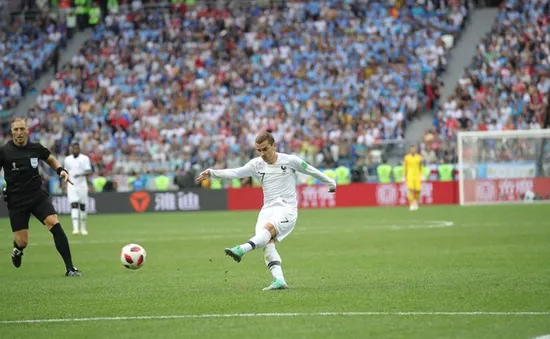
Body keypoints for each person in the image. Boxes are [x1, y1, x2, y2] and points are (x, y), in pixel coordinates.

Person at [196, 132, 336, 290]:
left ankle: (241, 249)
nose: (262, 153)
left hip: (286, 208)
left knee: (268, 230)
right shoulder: (256, 165)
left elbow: (311, 170)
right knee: (266, 242)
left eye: (265, 149)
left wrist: (330, 182)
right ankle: (279, 280)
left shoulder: (290, 161)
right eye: (258, 150)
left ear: (274, 146)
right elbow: (235, 173)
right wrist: (213, 173)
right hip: (267, 209)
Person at [0, 118, 82, 276]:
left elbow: (50, 158)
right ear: (11, 132)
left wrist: (61, 170)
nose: (19, 133)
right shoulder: (4, 151)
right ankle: (17, 249)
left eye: (22, 129)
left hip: (37, 195)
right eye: (16, 130)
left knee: (54, 223)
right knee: (22, 241)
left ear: (27, 130)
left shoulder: (36, 148)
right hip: (16, 200)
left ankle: (70, 268)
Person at [63, 141, 92, 235]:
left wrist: (80, 174)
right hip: (71, 185)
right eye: (74, 148)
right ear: (71, 149)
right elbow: (65, 172)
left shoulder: (84, 158)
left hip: (82, 185)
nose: (75, 150)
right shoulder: (67, 159)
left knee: (82, 206)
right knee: (74, 205)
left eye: (77, 148)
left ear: (79, 149)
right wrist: (63, 183)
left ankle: (83, 228)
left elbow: (89, 170)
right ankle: (75, 228)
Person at [403, 145, 424, 211]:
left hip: (417, 175)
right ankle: (411, 204)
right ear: (410, 150)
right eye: (412, 149)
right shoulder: (406, 157)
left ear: (415, 150)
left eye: (414, 149)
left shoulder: (419, 157)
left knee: (418, 190)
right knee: (410, 190)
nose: (413, 150)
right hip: (410, 175)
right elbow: (405, 167)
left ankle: (416, 202)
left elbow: (421, 166)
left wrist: (422, 174)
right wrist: (404, 175)